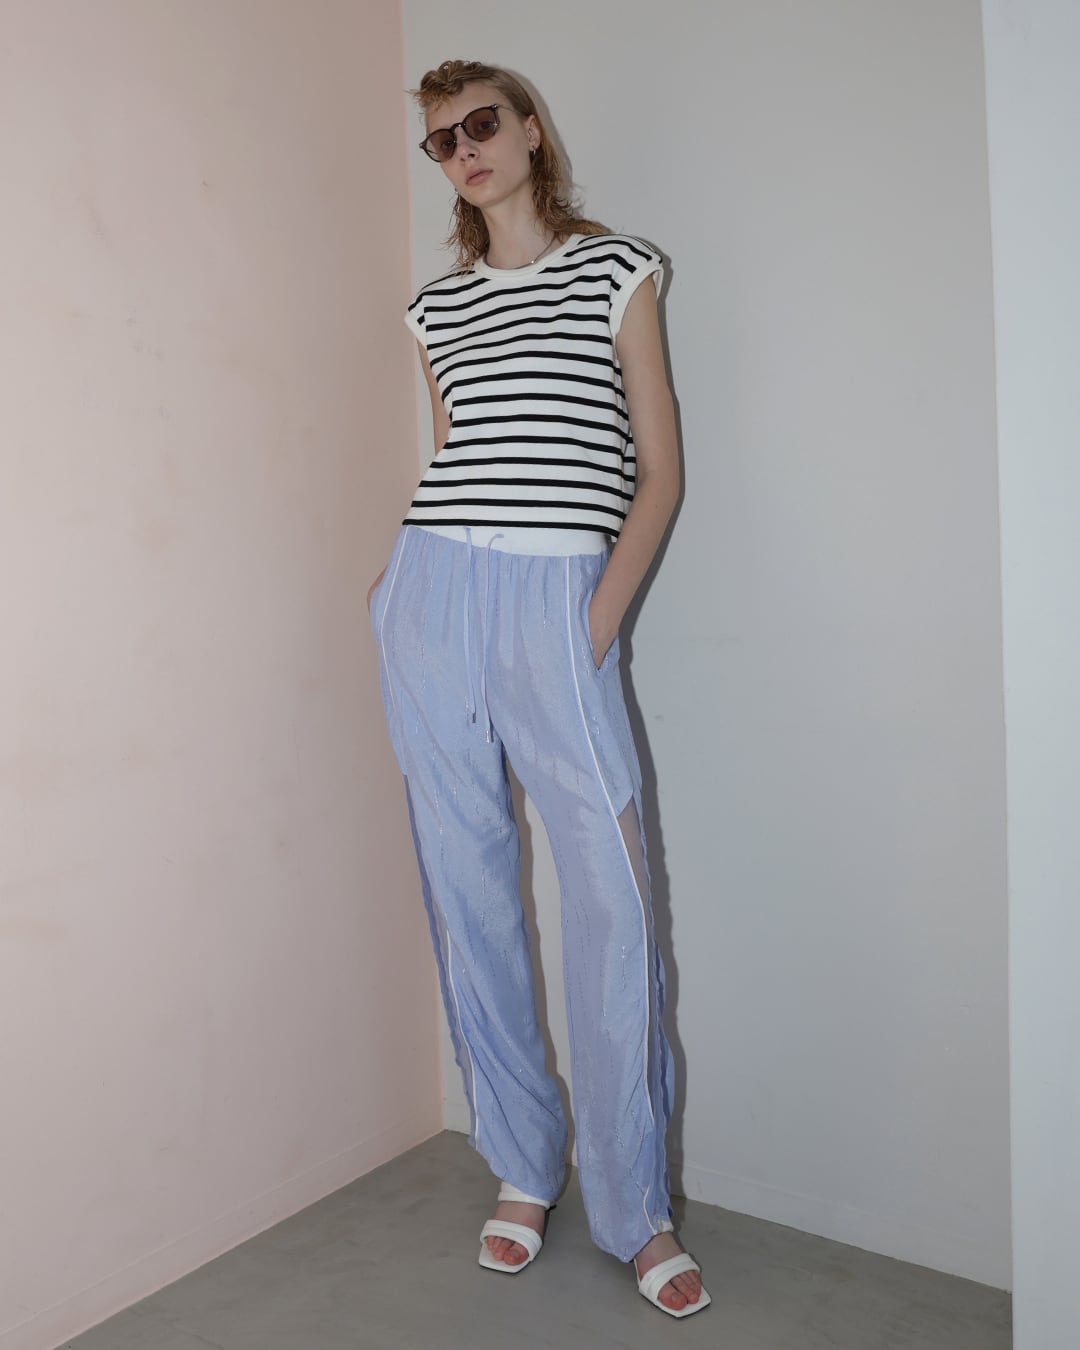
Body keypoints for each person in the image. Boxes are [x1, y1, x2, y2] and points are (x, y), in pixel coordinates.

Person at [367, 58, 709, 1319]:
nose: (463, 148)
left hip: (559, 599)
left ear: (528, 129)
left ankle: (635, 1208)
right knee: (468, 889)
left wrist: (595, 620)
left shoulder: (617, 269)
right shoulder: (435, 309)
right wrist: (402, 597)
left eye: (480, 123)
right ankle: (520, 1165)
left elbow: (658, 472)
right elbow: (459, 459)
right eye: (441, 139)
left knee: (613, 900)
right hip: (435, 591)